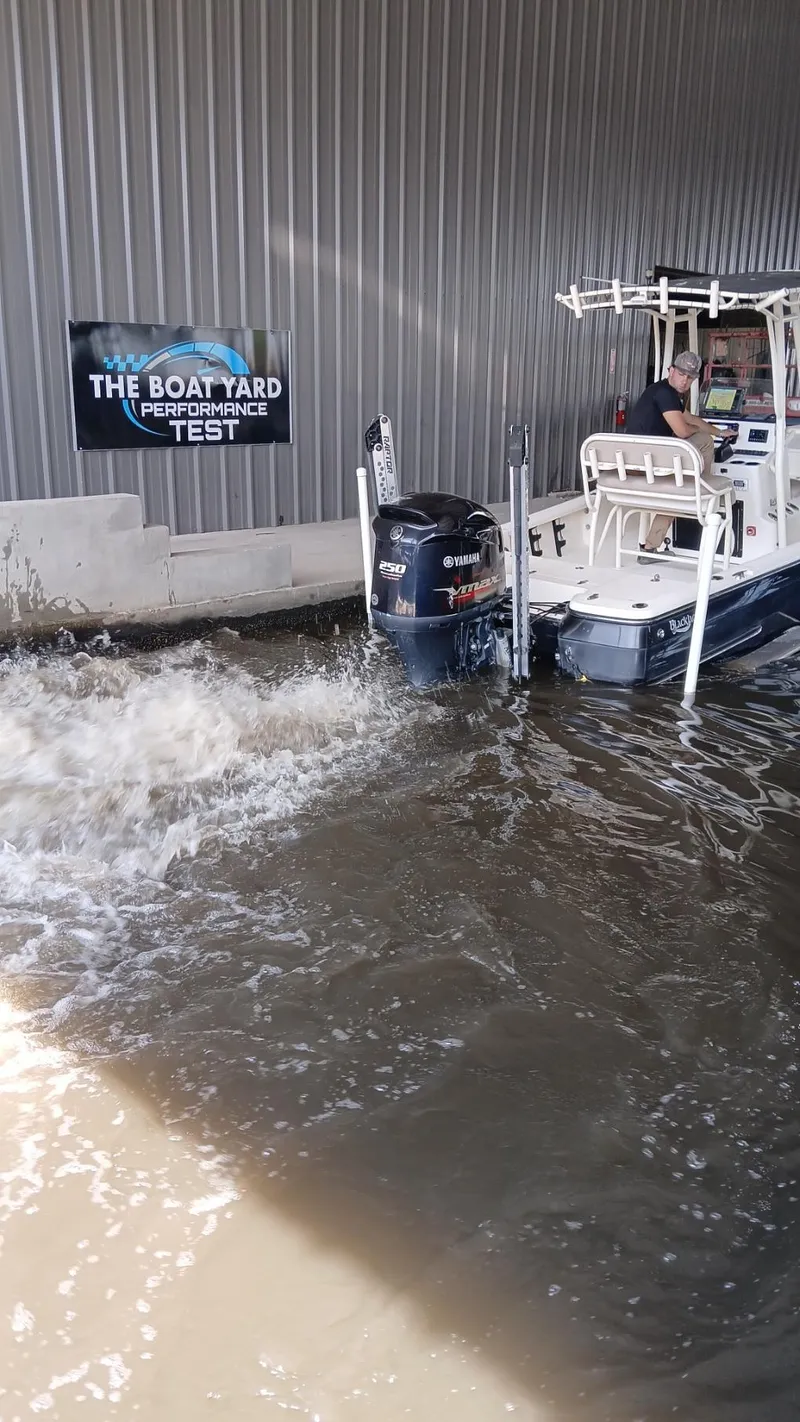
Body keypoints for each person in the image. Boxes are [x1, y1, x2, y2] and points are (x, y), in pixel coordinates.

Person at [626, 350, 719, 560]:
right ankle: (701, 490)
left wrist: (720, 431)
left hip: (637, 461)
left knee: (688, 467)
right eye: (681, 374)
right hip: (644, 466)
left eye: (690, 377)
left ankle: (696, 486)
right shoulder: (665, 394)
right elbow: (684, 430)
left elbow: (691, 419)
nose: (685, 380)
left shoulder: (662, 392)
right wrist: (704, 433)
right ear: (671, 371)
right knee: (686, 480)